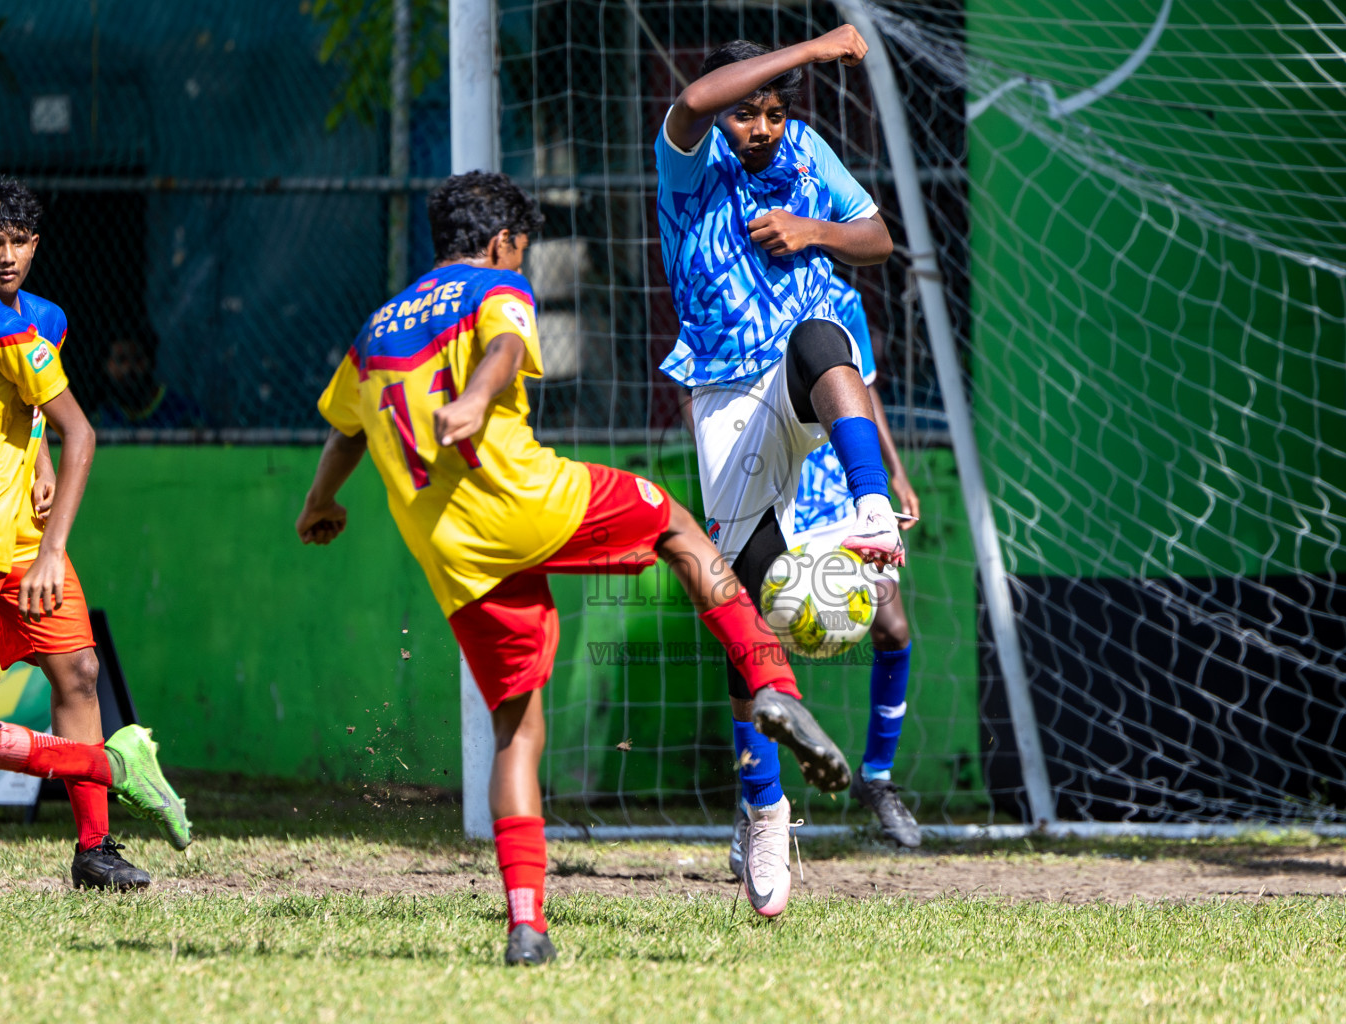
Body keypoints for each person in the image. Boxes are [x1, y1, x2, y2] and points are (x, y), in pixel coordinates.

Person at [296, 172, 851, 960]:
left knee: (516, 731)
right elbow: (508, 345)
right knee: (683, 533)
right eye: (521, 252)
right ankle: (774, 687)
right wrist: (478, 401)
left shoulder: (376, 330)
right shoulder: (496, 286)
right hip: (526, 498)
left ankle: (527, 924)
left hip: (451, 550)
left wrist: (319, 502)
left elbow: (346, 429)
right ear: (502, 243)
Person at [655, 28, 898, 916]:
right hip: (725, 394)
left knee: (824, 341)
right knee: (745, 606)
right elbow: (693, 103)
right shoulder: (685, 157)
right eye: (748, 111)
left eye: (774, 112)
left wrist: (814, 230)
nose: (762, 125)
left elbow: (875, 237)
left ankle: (870, 503)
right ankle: (763, 808)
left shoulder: (803, 150)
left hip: (796, 376)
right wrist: (813, 51)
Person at [0, 182, 191, 876]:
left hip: (23, 540)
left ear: (36, 244)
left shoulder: (43, 321)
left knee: (80, 670)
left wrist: (39, 466)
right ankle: (111, 761)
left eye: (17, 241)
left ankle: (94, 850)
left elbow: (45, 413)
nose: (6, 256)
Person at [723, 274, 921, 871]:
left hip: (836, 486)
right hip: (771, 482)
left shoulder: (837, 296)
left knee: (891, 628)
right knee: (751, 643)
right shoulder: (730, 283)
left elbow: (860, 390)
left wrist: (891, 472)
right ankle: (755, 802)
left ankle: (877, 779)